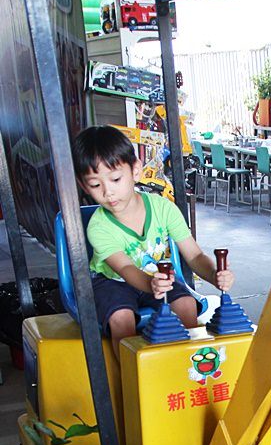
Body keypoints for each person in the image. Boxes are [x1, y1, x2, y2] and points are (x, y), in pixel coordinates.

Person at [72, 125, 234, 358]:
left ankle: (188, 370)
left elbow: (195, 256)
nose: (108, 192)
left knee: (187, 306)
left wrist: (215, 275)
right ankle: (130, 381)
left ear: (135, 170)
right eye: (96, 185)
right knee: (121, 319)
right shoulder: (98, 227)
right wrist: (151, 285)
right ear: (83, 185)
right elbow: (126, 268)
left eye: (116, 179)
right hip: (111, 281)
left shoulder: (164, 208)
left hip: (158, 277)